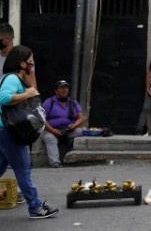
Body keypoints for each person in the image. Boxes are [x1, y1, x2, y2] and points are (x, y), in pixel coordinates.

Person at [0, 45, 59, 219]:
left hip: (5, 130)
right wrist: (28, 93)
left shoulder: (19, 80)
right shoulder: (11, 78)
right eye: (30, 61)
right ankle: (35, 207)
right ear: (20, 62)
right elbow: (3, 98)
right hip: (9, 132)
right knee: (23, 170)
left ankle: (35, 205)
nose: (32, 64)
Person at [41, 80, 85, 168]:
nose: (64, 90)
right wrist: (52, 130)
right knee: (50, 138)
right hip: (51, 130)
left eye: (66, 88)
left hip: (68, 130)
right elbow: (42, 119)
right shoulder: (49, 102)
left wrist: (74, 125)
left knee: (83, 131)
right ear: (56, 90)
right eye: (61, 88)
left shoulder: (73, 102)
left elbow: (81, 118)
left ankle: (76, 158)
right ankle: (55, 163)